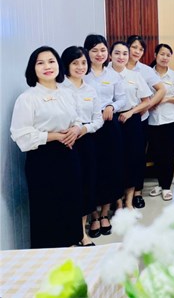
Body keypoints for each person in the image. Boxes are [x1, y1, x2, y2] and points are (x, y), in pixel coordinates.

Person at [10, 46, 83, 248]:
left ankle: (71, 247)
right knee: (48, 210)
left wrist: (76, 129)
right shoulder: (28, 98)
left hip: (69, 154)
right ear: (33, 69)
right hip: (43, 159)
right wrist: (54, 136)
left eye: (51, 61)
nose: (47, 66)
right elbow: (20, 134)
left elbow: (77, 118)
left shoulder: (67, 93)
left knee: (71, 204)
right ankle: (50, 257)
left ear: (59, 65)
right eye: (40, 63)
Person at [84, 34, 126, 237]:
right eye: (94, 50)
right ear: (87, 52)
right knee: (92, 170)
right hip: (89, 129)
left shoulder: (113, 75)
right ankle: (93, 215)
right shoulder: (82, 74)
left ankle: (104, 214)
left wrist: (111, 106)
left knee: (110, 169)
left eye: (102, 50)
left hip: (109, 127)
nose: (99, 54)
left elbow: (123, 99)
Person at [62, 46, 104, 246]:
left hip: (86, 140)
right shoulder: (60, 89)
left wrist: (85, 129)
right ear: (66, 65)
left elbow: (98, 119)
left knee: (86, 185)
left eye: (83, 63)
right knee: (70, 187)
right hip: (66, 142)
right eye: (75, 63)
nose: (80, 67)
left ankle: (81, 233)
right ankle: (68, 234)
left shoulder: (91, 89)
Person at [109, 41, 152, 209]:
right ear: (110, 55)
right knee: (114, 161)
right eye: (117, 53)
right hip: (110, 121)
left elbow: (146, 101)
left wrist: (130, 112)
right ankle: (117, 202)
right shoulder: (104, 75)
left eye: (124, 53)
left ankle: (128, 201)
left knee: (133, 160)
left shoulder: (135, 76)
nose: (121, 57)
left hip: (131, 119)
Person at [126, 35, 166, 208]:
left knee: (138, 157)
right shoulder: (114, 66)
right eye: (134, 47)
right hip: (119, 120)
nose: (137, 51)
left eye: (141, 49)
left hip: (139, 119)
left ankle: (137, 192)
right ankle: (120, 195)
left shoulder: (145, 70)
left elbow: (162, 89)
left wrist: (148, 105)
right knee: (121, 158)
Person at [148, 44, 174, 201]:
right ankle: (159, 183)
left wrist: (166, 99)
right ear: (155, 55)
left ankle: (166, 186)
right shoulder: (147, 74)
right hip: (152, 119)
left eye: (168, 55)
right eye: (162, 54)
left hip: (170, 119)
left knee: (168, 154)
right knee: (156, 153)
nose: (165, 57)